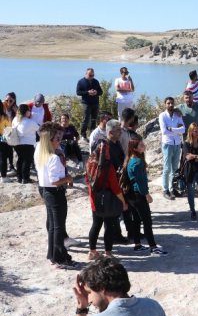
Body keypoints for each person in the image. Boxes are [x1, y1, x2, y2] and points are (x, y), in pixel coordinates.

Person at [34, 122, 77, 269]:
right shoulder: (53, 157)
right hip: (55, 192)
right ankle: (60, 257)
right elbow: (56, 181)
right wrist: (68, 179)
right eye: (57, 139)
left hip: (46, 190)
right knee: (58, 226)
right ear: (50, 140)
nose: (60, 141)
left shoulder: (40, 151)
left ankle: (52, 255)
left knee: (53, 225)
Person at [86, 124, 128, 262]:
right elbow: (115, 187)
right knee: (109, 226)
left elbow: (88, 180)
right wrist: (123, 202)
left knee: (95, 224)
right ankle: (108, 253)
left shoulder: (90, 162)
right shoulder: (107, 166)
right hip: (108, 200)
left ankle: (92, 251)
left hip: (94, 199)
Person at [125, 138, 168, 255]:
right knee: (147, 222)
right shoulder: (138, 162)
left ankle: (138, 245)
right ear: (135, 148)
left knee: (137, 220)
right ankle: (153, 247)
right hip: (138, 195)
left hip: (131, 196)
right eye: (141, 144)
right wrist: (147, 194)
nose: (144, 145)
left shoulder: (130, 160)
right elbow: (140, 182)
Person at [158, 97, 185, 200]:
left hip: (177, 143)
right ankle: (165, 190)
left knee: (174, 168)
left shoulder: (178, 115)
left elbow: (183, 129)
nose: (170, 105)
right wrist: (177, 130)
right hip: (167, 143)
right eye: (168, 103)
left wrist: (172, 129)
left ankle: (172, 188)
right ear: (165, 104)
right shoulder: (162, 116)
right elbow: (164, 131)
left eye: (172, 103)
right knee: (167, 168)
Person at [12, 104, 40, 184]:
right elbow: (39, 130)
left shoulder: (15, 120)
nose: (30, 112)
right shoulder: (30, 122)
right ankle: (25, 178)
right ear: (26, 112)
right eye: (29, 110)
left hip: (17, 143)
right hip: (28, 144)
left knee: (20, 160)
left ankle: (19, 177)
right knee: (26, 161)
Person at [76, 68, 103, 140]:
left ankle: (92, 134)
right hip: (86, 103)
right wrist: (88, 92)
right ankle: (83, 134)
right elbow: (78, 92)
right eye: (90, 75)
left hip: (95, 103)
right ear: (86, 74)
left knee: (94, 119)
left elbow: (101, 92)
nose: (91, 76)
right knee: (86, 119)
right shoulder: (81, 82)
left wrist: (96, 92)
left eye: (93, 75)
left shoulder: (96, 81)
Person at [0, 108, 11, 182]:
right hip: (2, 139)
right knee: (2, 158)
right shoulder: (4, 117)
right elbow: (9, 129)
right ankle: (3, 177)